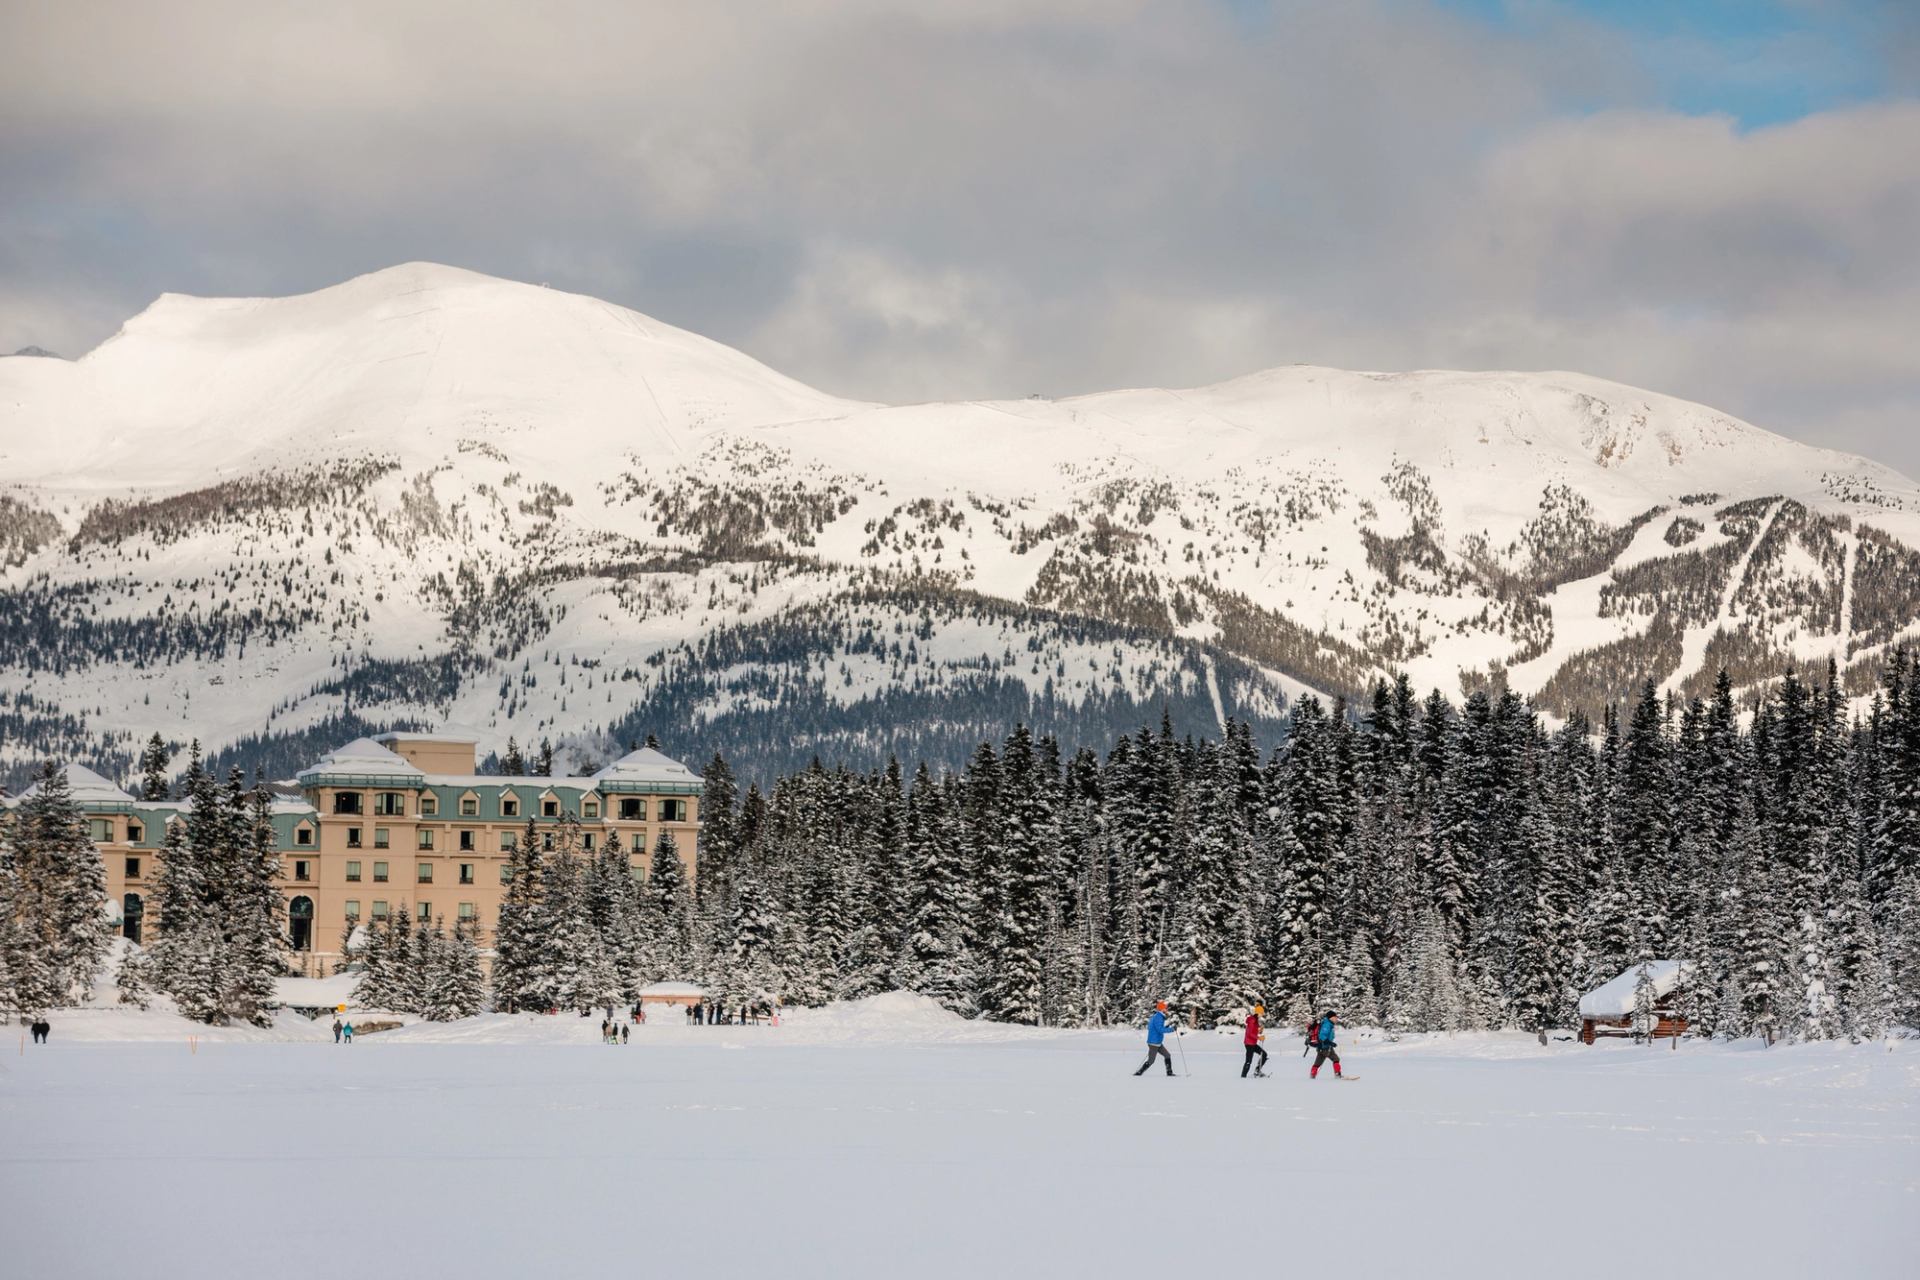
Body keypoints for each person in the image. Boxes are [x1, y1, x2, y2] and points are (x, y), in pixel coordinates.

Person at [1134, 1001, 1176, 1077]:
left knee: (1167, 1055)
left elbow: (1157, 1028)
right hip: (1154, 1043)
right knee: (1151, 1061)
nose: (1166, 1009)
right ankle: (1139, 1073)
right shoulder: (1158, 1017)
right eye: (1165, 1008)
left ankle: (1169, 1072)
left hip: (1157, 1042)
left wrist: (1167, 1028)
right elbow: (1160, 1029)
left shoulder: (1158, 1016)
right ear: (1162, 1009)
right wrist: (1171, 1029)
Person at [1309, 1010, 1342, 1080]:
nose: (1336, 1018)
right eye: (1335, 1017)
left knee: (1317, 1063)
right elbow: (1322, 1036)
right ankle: (1338, 1074)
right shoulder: (1327, 1024)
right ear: (1330, 1018)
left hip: (1321, 1047)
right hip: (1326, 1047)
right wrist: (1330, 1043)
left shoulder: (1328, 1024)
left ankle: (1312, 1076)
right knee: (1336, 1059)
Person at [1242, 1004, 1269, 1078]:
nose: (1262, 1015)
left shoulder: (1255, 1020)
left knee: (1264, 1054)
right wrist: (1259, 1038)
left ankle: (1257, 1071)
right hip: (1249, 1043)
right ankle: (1243, 1076)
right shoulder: (1252, 1020)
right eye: (1261, 1013)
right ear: (1258, 1013)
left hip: (1253, 1043)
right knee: (1248, 1061)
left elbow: (1253, 1032)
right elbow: (1249, 1033)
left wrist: (1260, 1031)